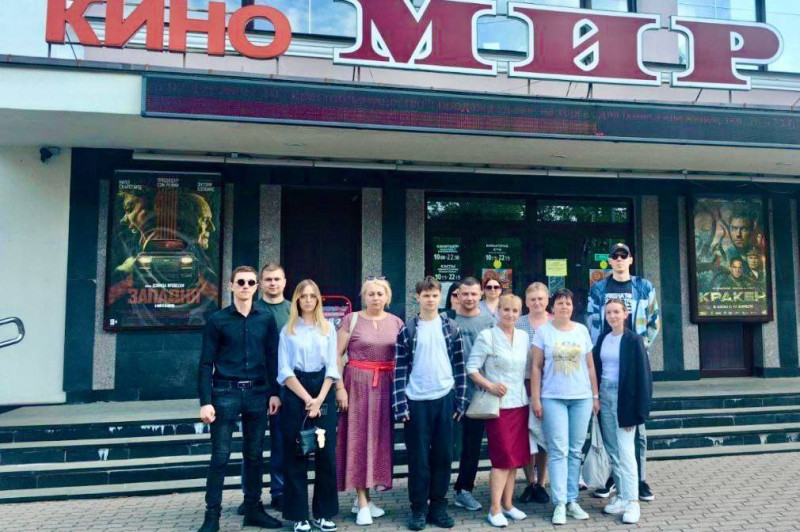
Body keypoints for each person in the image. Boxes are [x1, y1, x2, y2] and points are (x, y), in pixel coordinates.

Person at [196, 266, 283, 532]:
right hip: (225, 393)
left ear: (256, 287)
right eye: (241, 282)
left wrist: (274, 392)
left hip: (257, 393)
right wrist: (205, 401)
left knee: (254, 455)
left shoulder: (266, 319)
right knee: (220, 456)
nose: (246, 286)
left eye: (250, 282)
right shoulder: (217, 320)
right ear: (231, 285)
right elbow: (205, 363)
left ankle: (253, 509)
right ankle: (212, 516)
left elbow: (272, 358)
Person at [393, 276, 468, 531]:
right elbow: (400, 370)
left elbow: (460, 366)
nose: (430, 299)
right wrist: (400, 405)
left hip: (445, 399)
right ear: (417, 297)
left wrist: (460, 401)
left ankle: (438, 506)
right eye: (426, 295)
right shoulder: (407, 330)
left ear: (440, 297)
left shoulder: (452, 328)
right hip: (416, 401)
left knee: (444, 456)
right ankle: (418, 509)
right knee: (418, 459)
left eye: (434, 295)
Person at [587, 242, 659, 502]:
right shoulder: (599, 288)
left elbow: (654, 320)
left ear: (630, 260)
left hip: (633, 362)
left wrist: (637, 348)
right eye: (614, 256)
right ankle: (612, 478)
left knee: (635, 426)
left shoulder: (644, 286)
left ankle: (639, 480)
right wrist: (598, 351)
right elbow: (592, 321)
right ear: (609, 261)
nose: (619, 259)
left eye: (623, 255)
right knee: (609, 428)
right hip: (607, 362)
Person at [335, 277, 404, 526]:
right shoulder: (351, 320)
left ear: (387, 297)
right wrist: (339, 388)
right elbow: (336, 355)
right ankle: (362, 501)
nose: (375, 298)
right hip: (357, 385)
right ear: (363, 297)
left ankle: (366, 497)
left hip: (386, 386)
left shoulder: (396, 322)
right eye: (371, 294)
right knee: (358, 439)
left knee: (378, 440)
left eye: (380, 294)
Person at [531, 289, 600, 526]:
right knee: (558, 450)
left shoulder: (581, 330)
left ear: (573, 307)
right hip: (553, 398)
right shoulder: (543, 332)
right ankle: (559, 502)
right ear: (553, 307)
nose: (564, 307)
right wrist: (536, 398)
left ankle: (572, 500)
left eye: (568, 303)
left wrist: (595, 396)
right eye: (560, 303)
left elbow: (590, 367)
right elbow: (536, 367)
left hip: (581, 397)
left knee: (575, 450)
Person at [277, 280, 341, 532]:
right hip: (296, 391)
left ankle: (324, 514)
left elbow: (333, 367)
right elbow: (284, 370)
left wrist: (319, 399)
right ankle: (299, 516)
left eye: (312, 296)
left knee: (326, 455)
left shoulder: (328, 328)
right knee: (296, 455)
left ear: (318, 300)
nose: (308, 300)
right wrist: (307, 400)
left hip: (323, 388)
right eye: (303, 296)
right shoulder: (288, 330)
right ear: (296, 300)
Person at [466, 294, 530, 527]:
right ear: (498, 311)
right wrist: (490, 386)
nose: (510, 314)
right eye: (506, 310)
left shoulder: (523, 336)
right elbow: (471, 368)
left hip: (520, 404)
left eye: (515, 310)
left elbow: (528, 369)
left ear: (519, 313)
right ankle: (494, 509)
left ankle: (508, 504)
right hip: (498, 407)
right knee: (502, 458)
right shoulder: (487, 336)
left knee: (514, 459)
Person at [232, 262, 290, 515]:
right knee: (251, 446)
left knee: (281, 442)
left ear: (284, 282)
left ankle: (279, 492)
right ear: (260, 284)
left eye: (277, 279)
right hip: (253, 386)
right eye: (268, 279)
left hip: (284, 386)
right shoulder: (250, 309)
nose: (273, 283)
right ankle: (250, 496)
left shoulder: (293, 310)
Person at [593, 299, 652, 524]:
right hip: (604, 395)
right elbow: (596, 368)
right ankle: (620, 495)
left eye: (616, 311)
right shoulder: (603, 338)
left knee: (626, 451)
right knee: (613, 450)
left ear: (625, 314)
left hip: (624, 399)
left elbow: (643, 377)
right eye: (609, 312)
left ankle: (633, 501)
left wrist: (638, 412)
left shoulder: (634, 340)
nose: (612, 316)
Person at [451, 277, 495, 512]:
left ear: (481, 295)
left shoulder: (489, 322)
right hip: (449, 392)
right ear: (457, 295)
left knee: (472, 445)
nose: (469, 298)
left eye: (473, 294)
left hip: (477, 394)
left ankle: (464, 490)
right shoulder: (446, 320)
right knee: (443, 445)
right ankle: (434, 492)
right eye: (464, 294)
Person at [515, 282, 551, 505]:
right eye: (532, 299)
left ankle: (542, 483)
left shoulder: (555, 323)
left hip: (549, 388)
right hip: (522, 386)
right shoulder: (518, 323)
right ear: (526, 302)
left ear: (547, 300)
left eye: (540, 298)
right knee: (526, 438)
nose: (537, 302)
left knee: (544, 437)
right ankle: (530, 482)